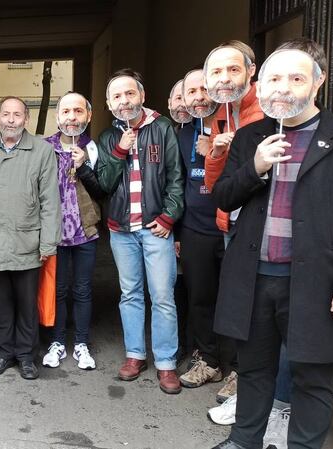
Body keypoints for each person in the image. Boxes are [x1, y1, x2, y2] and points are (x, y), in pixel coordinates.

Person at [210, 47, 333, 449]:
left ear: (318, 81)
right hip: (255, 275)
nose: (284, 87)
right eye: (275, 79)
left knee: (312, 375)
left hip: (315, 279)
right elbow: (224, 196)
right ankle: (243, 441)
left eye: (296, 78)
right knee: (254, 369)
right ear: (261, 84)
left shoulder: (332, 135)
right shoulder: (252, 136)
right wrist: (255, 167)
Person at [96, 68, 184, 394]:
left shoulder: (162, 128)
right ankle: (135, 355)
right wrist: (119, 149)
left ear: (142, 96)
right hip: (121, 230)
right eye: (116, 96)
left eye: (129, 94)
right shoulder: (107, 138)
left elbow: (176, 177)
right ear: (108, 103)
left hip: (156, 228)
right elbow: (104, 183)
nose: (124, 101)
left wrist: (168, 217)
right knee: (130, 294)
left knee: (162, 296)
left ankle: (166, 363)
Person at [0, 96, 60, 380]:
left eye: (17, 115)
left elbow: (50, 201)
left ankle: (26, 356)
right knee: (1, 302)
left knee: (26, 303)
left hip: (28, 242)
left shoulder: (42, 151)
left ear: (26, 120)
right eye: (5, 114)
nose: (10, 120)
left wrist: (48, 243)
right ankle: (4, 353)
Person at [202, 39, 265, 404]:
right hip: (232, 221)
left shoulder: (267, 110)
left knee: (261, 307)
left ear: (251, 71)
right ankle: (242, 374)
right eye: (218, 71)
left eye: (233, 69)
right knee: (242, 302)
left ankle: (251, 380)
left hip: (262, 224)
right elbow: (215, 186)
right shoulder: (220, 115)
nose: (225, 78)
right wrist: (218, 151)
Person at [41, 92, 105, 370]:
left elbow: (104, 191)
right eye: (66, 112)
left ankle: (80, 343)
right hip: (55, 233)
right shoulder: (44, 148)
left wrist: (84, 167)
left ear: (88, 116)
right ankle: (56, 342)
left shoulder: (94, 148)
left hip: (85, 231)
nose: (72, 117)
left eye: (78, 112)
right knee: (58, 290)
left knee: (82, 289)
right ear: (57, 117)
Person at [174, 68, 226, 389]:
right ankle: (208, 361)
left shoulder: (232, 126)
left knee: (231, 301)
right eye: (191, 92)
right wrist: (178, 232)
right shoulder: (183, 133)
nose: (198, 97)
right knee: (200, 299)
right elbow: (178, 185)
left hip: (230, 229)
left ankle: (234, 367)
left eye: (203, 90)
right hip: (194, 230)